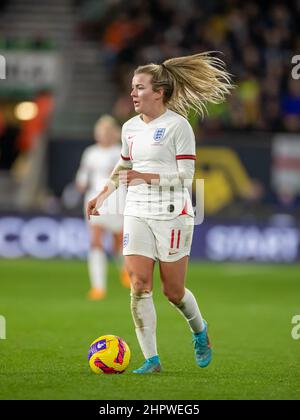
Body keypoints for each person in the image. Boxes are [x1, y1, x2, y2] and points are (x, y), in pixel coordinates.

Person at [87, 53, 232, 372]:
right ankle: (151, 359)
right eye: (132, 88)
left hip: (172, 213)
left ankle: (200, 331)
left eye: (139, 88)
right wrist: (102, 194)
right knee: (139, 283)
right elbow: (124, 165)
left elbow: (186, 176)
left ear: (159, 92)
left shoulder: (179, 127)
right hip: (136, 209)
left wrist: (145, 177)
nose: (133, 94)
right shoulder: (128, 128)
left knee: (173, 291)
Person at [76, 115, 130, 300]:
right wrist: (80, 184)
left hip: (116, 200)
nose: (104, 135)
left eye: (108, 131)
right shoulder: (90, 153)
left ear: (114, 134)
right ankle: (98, 287)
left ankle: (125, 269)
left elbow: (127, 175)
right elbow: (82, 178)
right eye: (101, 132)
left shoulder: (120, 152)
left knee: (118, 240)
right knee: (96, 241)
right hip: (94, 199)